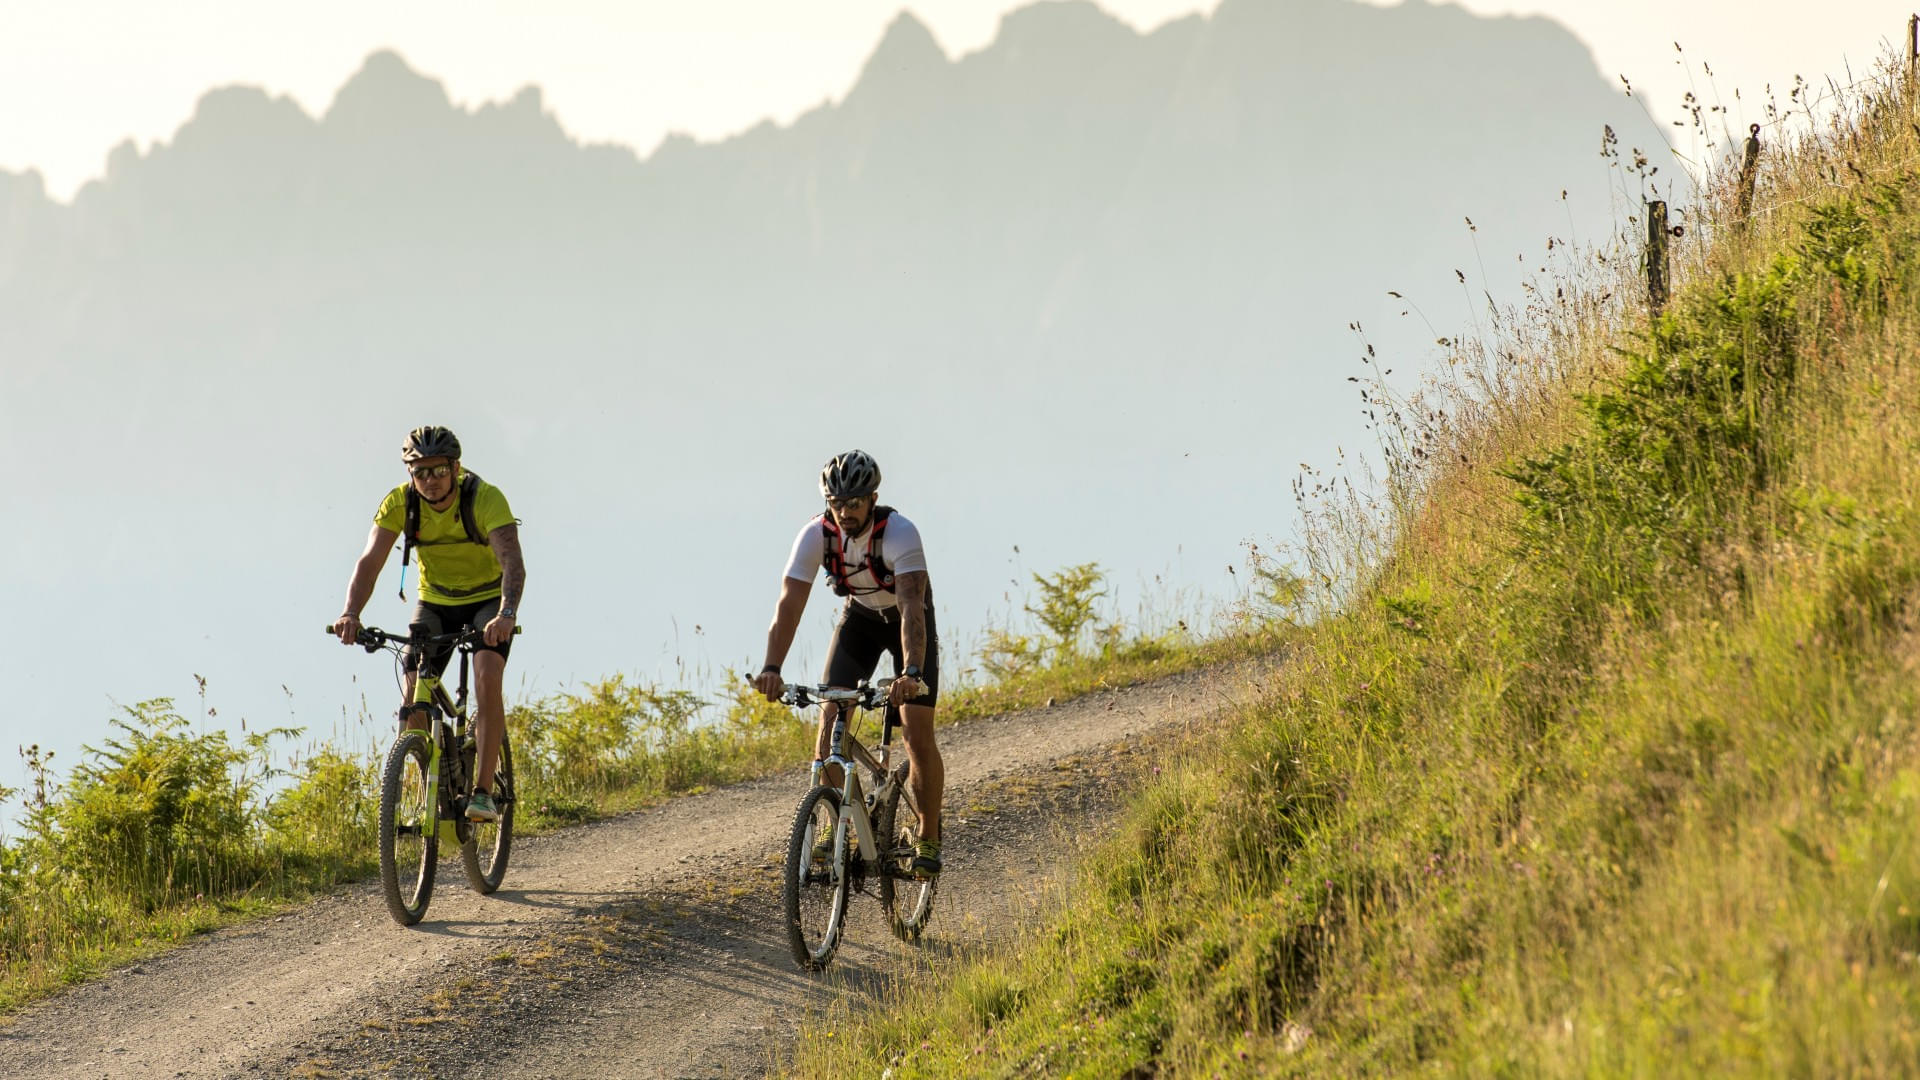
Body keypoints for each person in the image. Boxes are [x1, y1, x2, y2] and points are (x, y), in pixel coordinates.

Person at [753, 449, 945, 878]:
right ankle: (830, 828)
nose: (843, 512)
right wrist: (771, 668)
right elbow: (788, 606)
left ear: (872, 498)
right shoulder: (814, 537)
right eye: (835, 504)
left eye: (853, 503)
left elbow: (913, 607)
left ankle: (928, 833)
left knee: (916, 734)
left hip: (905, 624)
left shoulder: (900, 534)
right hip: (859, 621)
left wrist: (911, 673)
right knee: (829, 728)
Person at [330, 425, 525, 822]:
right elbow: (369, 563)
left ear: (455, 468)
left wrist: (506, 614)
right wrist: (351, 612)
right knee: (413, 697)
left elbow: (512, 564)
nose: (430, 481)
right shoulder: (400, 504)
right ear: (410, 474)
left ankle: (484, 792)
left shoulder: (485, 498)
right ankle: (433, 783)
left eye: (438, 471)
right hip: (435, 601)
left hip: (487, 600)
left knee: (487, 673)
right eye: (420, 473)